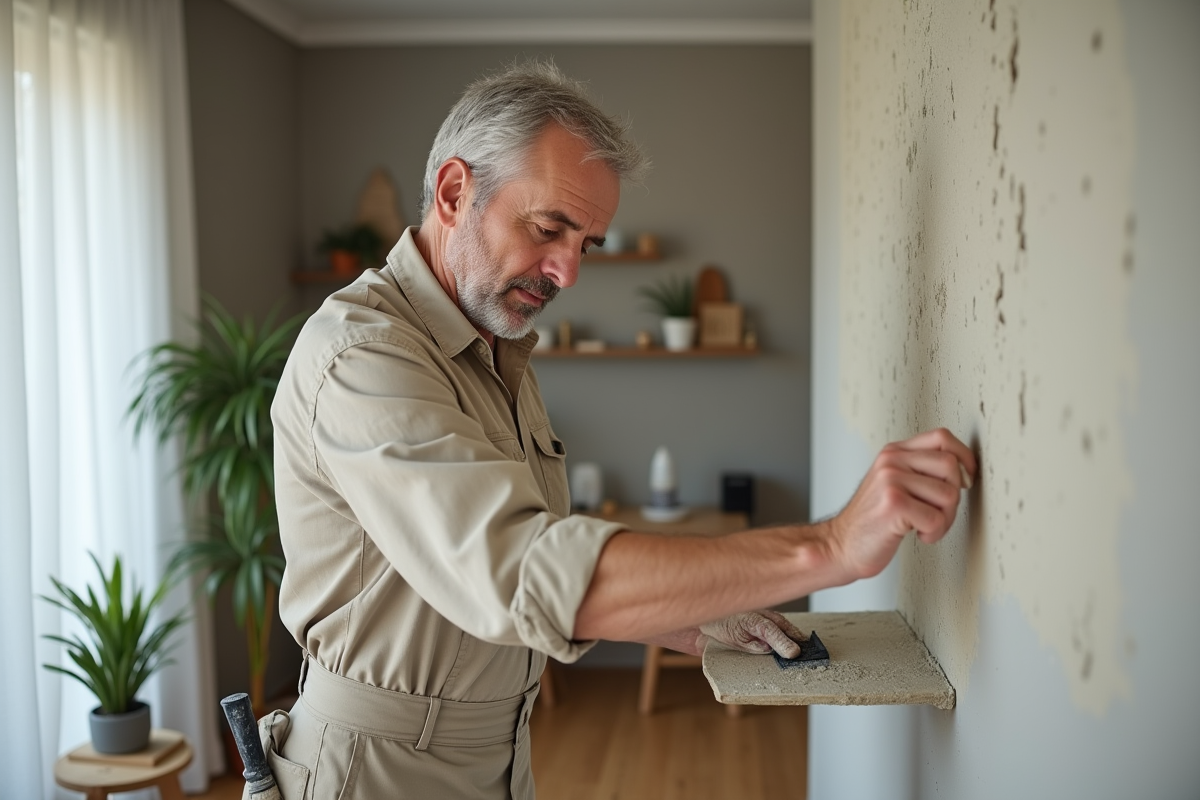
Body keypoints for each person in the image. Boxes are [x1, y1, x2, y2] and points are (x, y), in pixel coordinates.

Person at [267, 61, 976, 799]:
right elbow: (523, 572)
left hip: (499, 756)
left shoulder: (496, 351)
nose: (568, 272)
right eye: (549, 229)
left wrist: (696, 617)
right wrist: (829, 546)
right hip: (372, 772)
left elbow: (522, 575)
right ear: (453, 193)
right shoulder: (363, 356)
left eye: (587, 244)